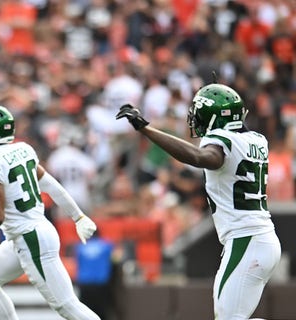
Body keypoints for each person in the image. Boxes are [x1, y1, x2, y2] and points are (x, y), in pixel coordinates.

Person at [116, 82, 282, 320]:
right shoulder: (257, 139)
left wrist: (146, 129)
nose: (196, 121)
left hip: (246, 240)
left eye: (200, 115)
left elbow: (201, 157)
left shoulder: (222, 140)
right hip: (261, 238)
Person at [0, 104, 100, 320]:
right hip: (30, 233)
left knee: (67, 306)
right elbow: (50, 184)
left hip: (30, 237)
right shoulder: (22, 149)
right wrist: (77, 215)